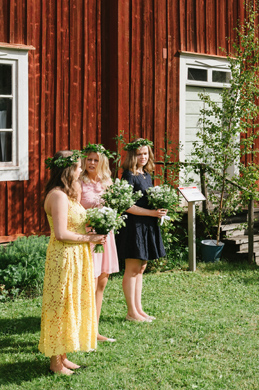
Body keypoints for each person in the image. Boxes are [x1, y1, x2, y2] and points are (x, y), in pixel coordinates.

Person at [39, 150, 106, 375]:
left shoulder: (68, 194)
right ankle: (55, 363)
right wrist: (90, 238)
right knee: (61, 305)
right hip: (64, 256)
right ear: (68, 170)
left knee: (71, 304)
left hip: (77, 255)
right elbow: (60, 233)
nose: (82, 169)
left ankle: (63, 355)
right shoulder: (57, 195)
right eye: (78, 166)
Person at [116, 138, 167, 323]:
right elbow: (126, 205)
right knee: (132, 269)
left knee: (141, 267)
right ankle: (131, 312)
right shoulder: (129, 175)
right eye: (139, 154)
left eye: (146, 153)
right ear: (132, 155)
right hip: (133, 227)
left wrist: (160, 207)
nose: (143, 157)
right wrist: (152, 212)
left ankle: (139, 309)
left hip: (146, 225)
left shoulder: (146, 174)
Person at [80, 144, 119, 343]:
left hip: (106, 235)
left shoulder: (107, 182)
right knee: (90, 281)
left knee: (102, 280)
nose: (92, 163)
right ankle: (84, 330)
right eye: (89, 159)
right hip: (88, 236)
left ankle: (94, 330)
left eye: (96, 159)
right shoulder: (79, 183)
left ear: (102, 161)